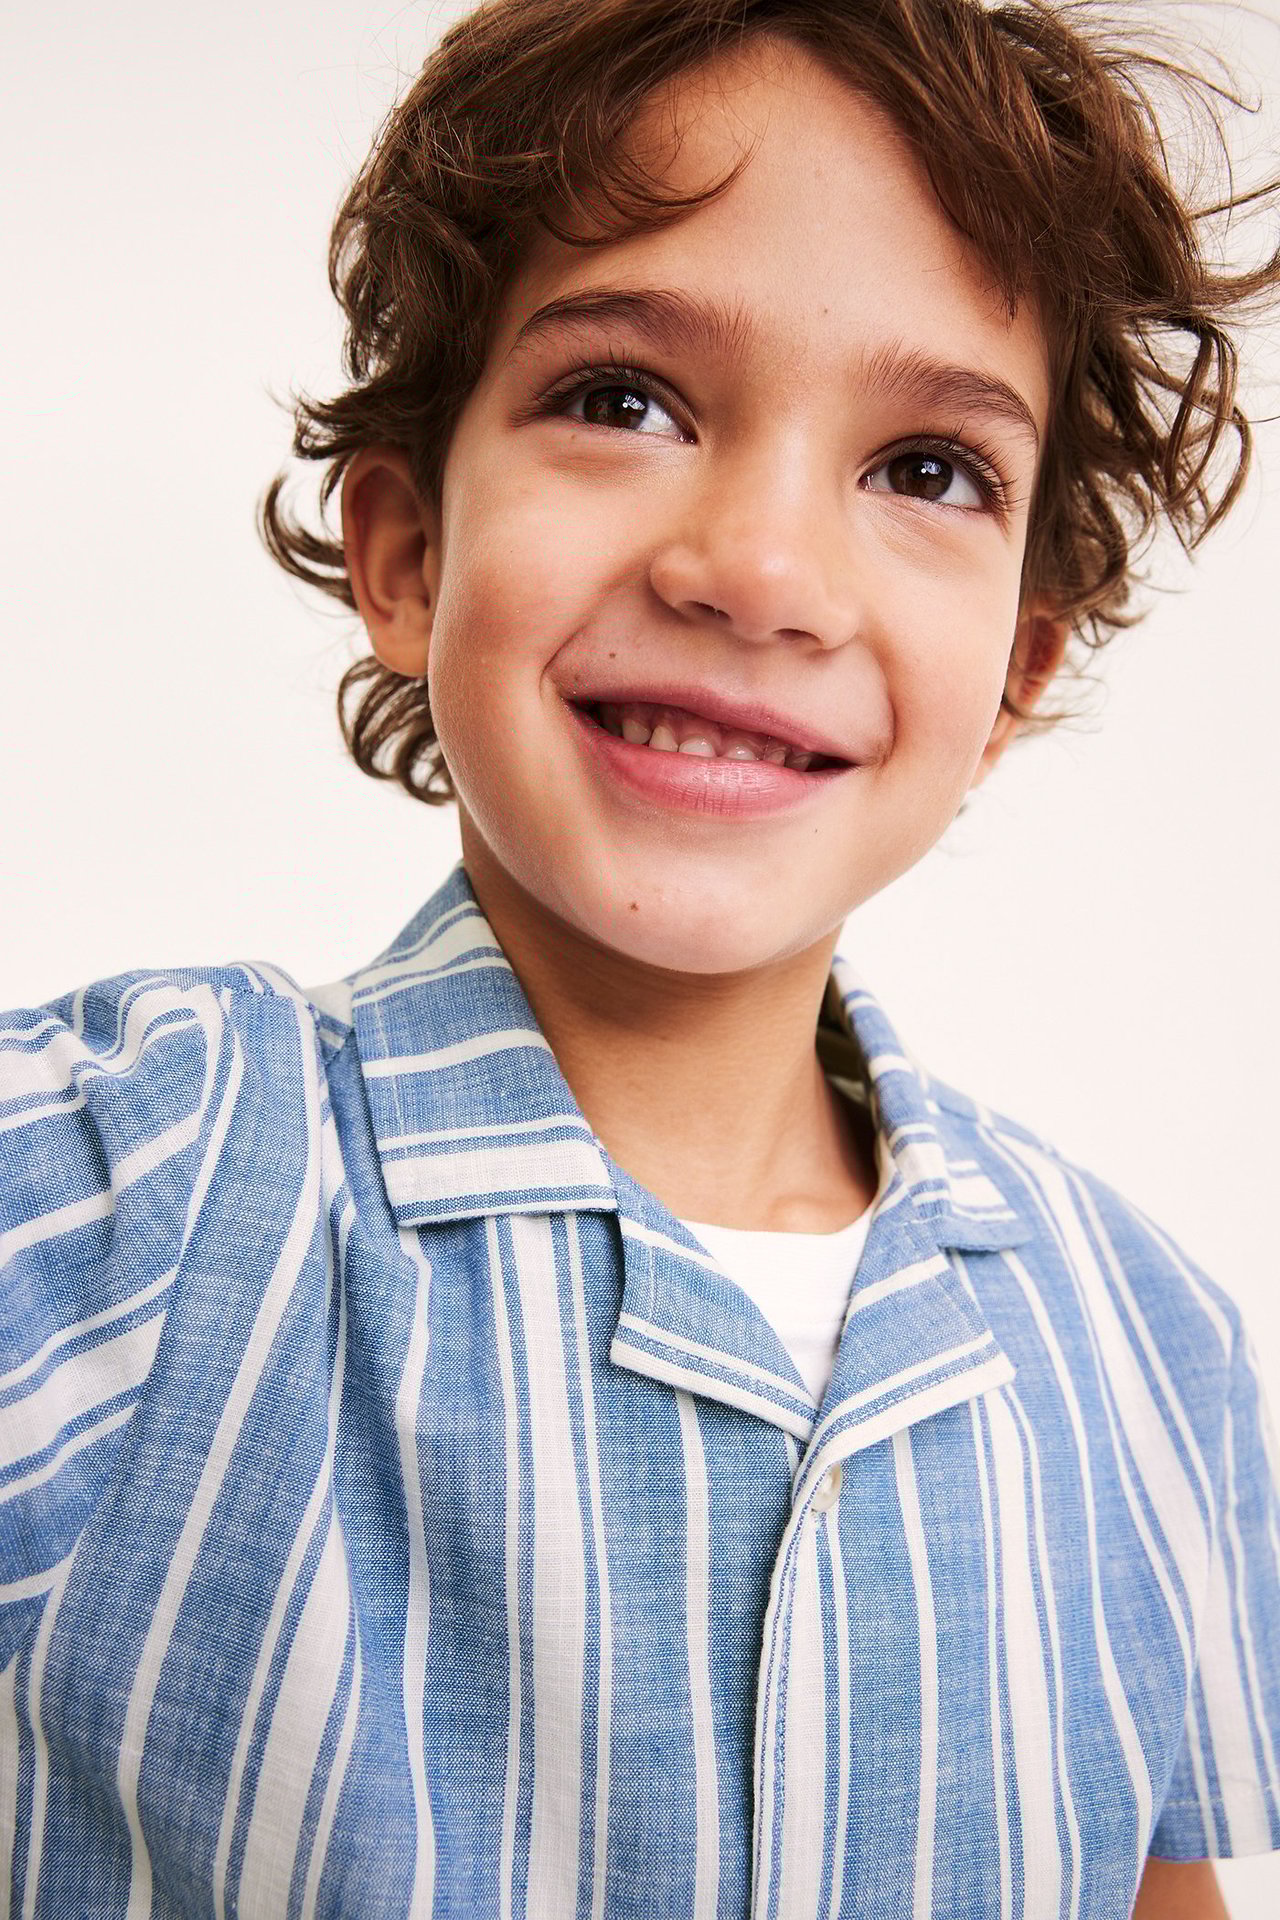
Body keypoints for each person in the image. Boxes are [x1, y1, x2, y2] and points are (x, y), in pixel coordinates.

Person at [2, 0, 1278, 1913]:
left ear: (1019, 661)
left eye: (927, 468)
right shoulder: (129, 1185)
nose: (760, 570)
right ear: (407, 549)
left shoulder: (1154, 1352)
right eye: (624, 401)